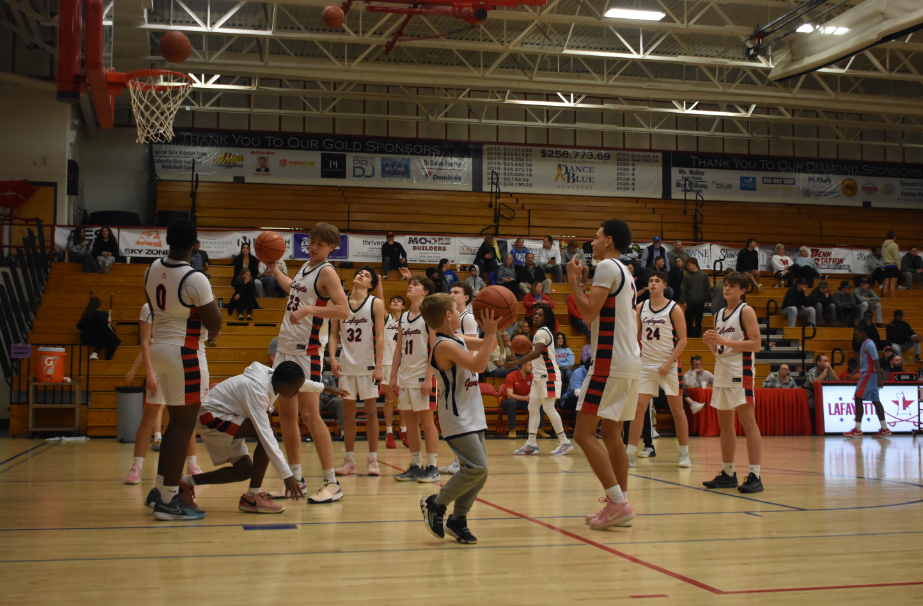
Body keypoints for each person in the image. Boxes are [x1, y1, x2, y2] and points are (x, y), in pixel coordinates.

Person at [180, 362, 346, 513]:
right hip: (211, 415)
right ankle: (253, 496)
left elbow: (301, 384)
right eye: (295, 390)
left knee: (244, 471)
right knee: (269, 434)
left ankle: (186, 482)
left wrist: (324, 388)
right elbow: (266, 438)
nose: (297, 393)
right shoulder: (257, 391)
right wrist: (287, 476)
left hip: (227, 414)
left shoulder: (272, 375)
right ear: (283, 385)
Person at [142, 218, 223, 520]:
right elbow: (214, 323)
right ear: (195, 244)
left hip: (159, 347)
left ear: (167, 239)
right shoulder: (195, 277)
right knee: (182, 427)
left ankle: (160, 490)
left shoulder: (151, 268)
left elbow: (152, 306)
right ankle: (168, 500)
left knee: (174, 426)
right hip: (184, 353)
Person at [268, 222, 351, 505]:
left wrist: (311, 309)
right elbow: (294, 289)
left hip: (308, 352)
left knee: (310, 415)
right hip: (286, 348)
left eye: (320, 243)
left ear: (331, 247)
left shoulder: (327, 271)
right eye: (312, 241)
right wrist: (276, 271)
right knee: (286, 417)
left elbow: (344, 310)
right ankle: (296, 480)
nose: (314, 246)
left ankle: (332, 482)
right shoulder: (305, 268)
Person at [567, 218, 639, 530]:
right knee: (611, 435)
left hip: (610, 362)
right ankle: (617, 504)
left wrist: (572, 281)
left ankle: (618, 503)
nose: (592, 243)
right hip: (628, 362)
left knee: (582, 434)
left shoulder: (608, 267)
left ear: (608, 240)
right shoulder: (625, 272)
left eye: (596, 237)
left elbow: (586, 312)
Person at [419, 293, 498, 545]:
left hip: (472, 413)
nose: (459, 311)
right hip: (457, 416)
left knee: (479, 472)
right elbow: (479, 366)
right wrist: (491, 334)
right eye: (455, 308)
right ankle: (436, 503)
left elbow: (489, 346)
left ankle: (458, 519)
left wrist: (494, 328)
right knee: (477, 468)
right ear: (448, 315)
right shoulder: (443, 345)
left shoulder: (457, 338)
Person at [123, 303, 201, 485]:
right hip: (159, 365)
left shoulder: (183, 303)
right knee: (149, 418)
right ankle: (137, 466)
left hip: (183, 362)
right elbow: (146, 343)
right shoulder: (148, 308)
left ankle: (192, 464)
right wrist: (147, 372)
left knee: (184, 419)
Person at [702, 271, 764, 494]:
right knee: (724, 423)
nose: (727, 289)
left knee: (748, 421)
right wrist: (711, 343)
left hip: (741, 370)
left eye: (732, 286)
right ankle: (728, 473)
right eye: (725, 285)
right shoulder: (718, 314)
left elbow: (756, 344)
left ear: (743, 290)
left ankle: (755, 474)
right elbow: (720, 351)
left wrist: (723, 340)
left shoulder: (746, 311)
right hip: (722, 371)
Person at [627, 269, 694, 468]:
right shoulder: (641, 307)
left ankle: (684, 453)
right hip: (646, 364)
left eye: (657, 281)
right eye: (651, 281)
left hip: (669, 365)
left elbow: (683, 341)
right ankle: (630, 451)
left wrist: (668, 363)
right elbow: (634, 335)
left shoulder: (674, 309)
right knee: (638, 409)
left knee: (677, 411)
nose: (653, 283)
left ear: (665, 285)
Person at [329, 266, 385, 477]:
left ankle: (373, 459)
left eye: (367, 275)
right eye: (359, 272)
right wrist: (333, 358)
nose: (361, 275)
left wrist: (379, 366)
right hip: (346, 365)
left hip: (368, 365)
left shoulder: (375, 304)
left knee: (371, 413)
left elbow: (380, 336)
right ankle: (349, 460)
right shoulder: (339, 302)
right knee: (349, 415)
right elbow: (333, 334)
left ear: (371, 285)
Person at [503, 304, 574, 455]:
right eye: (535, 314)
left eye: (540, 315)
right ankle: (531, 444)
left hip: (548, 376)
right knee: (533, 408)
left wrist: (516, 362)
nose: (535, 316)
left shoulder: (542, 333)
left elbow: (536, 354)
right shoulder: (540, 333)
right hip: (538, 376)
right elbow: (536, 353)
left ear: (546, 318)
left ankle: (564, 442)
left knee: (548, 408)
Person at [391, 273, 441, 483]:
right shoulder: (403, 317)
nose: (410, 287)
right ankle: (416, 465)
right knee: (410, 423)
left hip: (423, 375)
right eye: (410, 284)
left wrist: (429, 377)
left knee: (427, 422)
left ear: (425, 291)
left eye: (416, 285)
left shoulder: (429, 315)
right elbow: (398, 350)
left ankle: (433, 466)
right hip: (405, 376)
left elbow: (435, 348)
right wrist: (393, 376)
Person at [440, 282, 484, 475]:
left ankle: (463, 461)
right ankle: (461, 460)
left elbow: (473, 347)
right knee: (462, 414)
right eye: (450, 292)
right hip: (461, 366)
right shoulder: (453, 318)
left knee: (463, 414)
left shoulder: (468, 318)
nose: (452, 294)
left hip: (468, 369)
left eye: (456, 292)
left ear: (466, 297)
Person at [843, 325, 890, 437]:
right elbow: (862, 364)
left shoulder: (869, 344)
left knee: (858, 398)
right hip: (870, 374)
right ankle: (884, 429)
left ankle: (857, 430)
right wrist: (852, 374)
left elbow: (876, 361)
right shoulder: (864, 344)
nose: (855, 336)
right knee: (875, 401)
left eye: (856, 334)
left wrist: (880, 378)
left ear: (863, 332)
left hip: (869, 374)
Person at [382, 295, 405, 449]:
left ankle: (404, 430)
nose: (395, 302)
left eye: (398, 301)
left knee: (404, 401)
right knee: (389, 400)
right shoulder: (386, 317)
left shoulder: (408, 319)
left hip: (404, 363)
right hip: (387, 362)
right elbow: (379, 297)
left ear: (404, 306)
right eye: (392, 300)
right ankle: (389, 432)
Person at [77, 296, 121, 360]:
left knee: (111, 338)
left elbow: (78, 326)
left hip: (84, 339)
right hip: (92, 339)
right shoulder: (97, 314)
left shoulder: (86, 313)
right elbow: (104, 327)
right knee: (110, 334)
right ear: (99, 306)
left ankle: (105, 359)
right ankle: (96, 353)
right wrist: (118, 340)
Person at [681, 257, 712, 338]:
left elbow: (707, 287)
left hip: (700, 302)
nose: (688, 267)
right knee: (689, 322)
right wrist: (683, 301)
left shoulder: (704, 275)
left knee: (698, 322)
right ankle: (690, 338)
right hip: (689, 303)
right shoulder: (687, 276)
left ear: (694, 264)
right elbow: (684, 289)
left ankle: (697, 337)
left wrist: (708, 299)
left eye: (689, 265)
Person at [501, 360, 533, 437]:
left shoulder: (532, 376)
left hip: (523, 401)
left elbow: (534, 390)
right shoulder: (511, 376)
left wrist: (529, 396)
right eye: (530, 365)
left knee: (537, 403)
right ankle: (512, 430)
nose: (532, 367)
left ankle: (537, 430)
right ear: (523, 366)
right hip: (507, 402)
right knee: (512, 402)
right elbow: (509, 395)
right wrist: (525, 398)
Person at [882, 230, 901, 298]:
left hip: (886, 266)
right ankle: (892, 300)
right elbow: (896, 257)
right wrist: (899, 267)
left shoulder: (883, 245)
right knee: (893, 284)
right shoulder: (894, 245)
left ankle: (885, 299)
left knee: (886, 284)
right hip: (893, 265)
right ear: (895, 237)